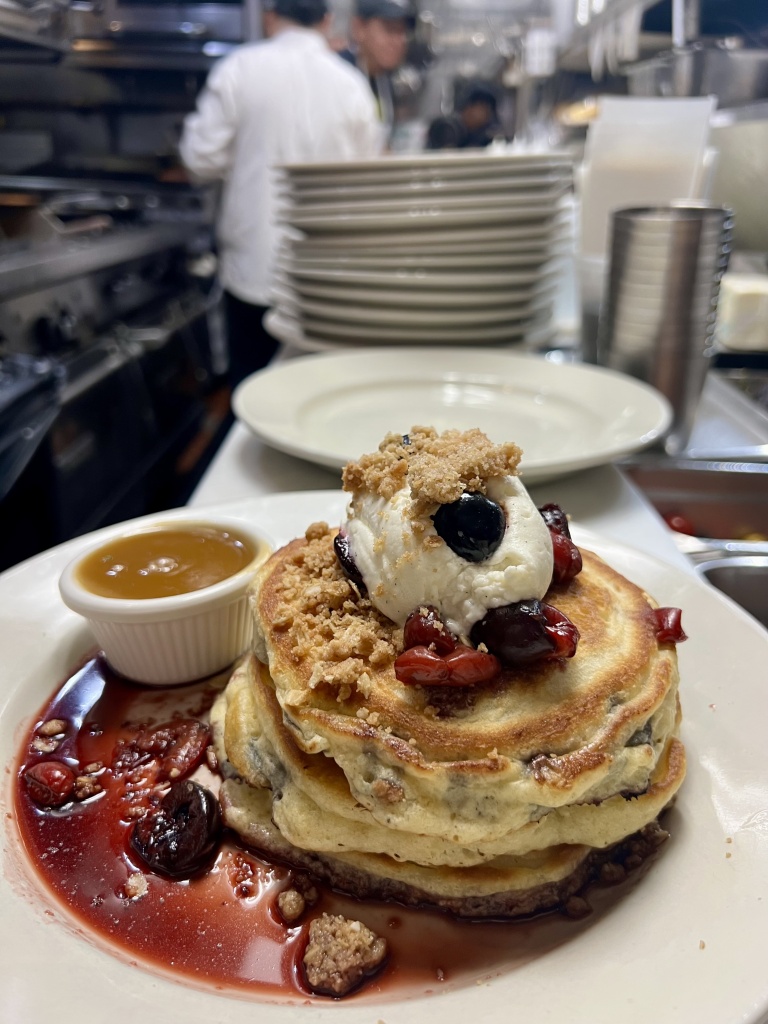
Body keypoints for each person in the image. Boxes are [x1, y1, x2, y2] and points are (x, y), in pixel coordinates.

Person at [179, 0, 382, 388]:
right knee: (325, 390)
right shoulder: (351, 83)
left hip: (255, 267)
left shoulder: (239, 68)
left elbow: (199, 158)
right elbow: (368, 175)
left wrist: (241, 161)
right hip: (330, 277)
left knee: (254, 392)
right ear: (326, 21)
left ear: (270, 18)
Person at [339, 0, 414, 141]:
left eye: (403, 32)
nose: (398, 41)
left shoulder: (384, 79)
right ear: (359, 28)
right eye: (390, 30)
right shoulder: (339, 77)